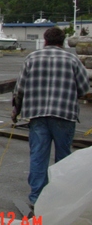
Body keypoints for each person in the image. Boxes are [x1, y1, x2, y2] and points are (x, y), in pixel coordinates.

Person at [12, 26, 89, 206]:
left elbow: (20, 89)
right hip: (64, 113)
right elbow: (85, 88)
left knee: (39, 155)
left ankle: (36, 198)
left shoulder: (32, 58)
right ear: (62, 42)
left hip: (37, 114)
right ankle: (60, 198)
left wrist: (16, 111)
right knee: (64, 158)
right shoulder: (72, 59)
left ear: (45, 40)